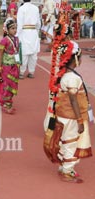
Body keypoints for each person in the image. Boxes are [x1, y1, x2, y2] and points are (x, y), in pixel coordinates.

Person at [53, 40, 92, 183]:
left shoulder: (64, 75)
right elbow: (74, 100)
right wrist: (80, 120)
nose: (81, 60)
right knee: (71, 142)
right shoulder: (73, 78)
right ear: (75, 59)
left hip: (64, 115)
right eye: (80, 57)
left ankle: (64, 165)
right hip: (71, 116)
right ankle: (67, 171)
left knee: (66, 140)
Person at [0, 19, 20, 114]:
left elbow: (17, 52)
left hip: (14, 67)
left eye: (15, 28)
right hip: (6, 67)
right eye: (12, 28)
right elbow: (0, 55)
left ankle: (9, 102)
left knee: (13, 84)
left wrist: (18, 63)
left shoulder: (17, 39)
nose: (15, 30)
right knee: (6, 85)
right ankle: (6, 104)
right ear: (7, 30)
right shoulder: (4, 41)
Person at [16, 0, 41, 79]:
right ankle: (31, 72)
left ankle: (21, 72)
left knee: (23, 53)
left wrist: (16, 34)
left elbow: (19, 23)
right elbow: (38, 23)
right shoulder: (35, 8)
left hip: (24, 32)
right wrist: (36, 31)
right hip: (33, 32)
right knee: (33, 54)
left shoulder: (21, 9)